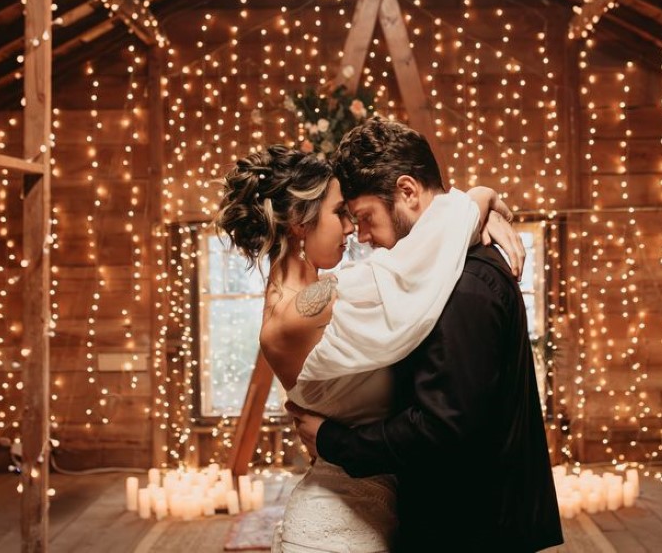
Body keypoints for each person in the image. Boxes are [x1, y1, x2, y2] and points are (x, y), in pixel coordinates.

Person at [216, 144, 521, 552]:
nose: (350, 228)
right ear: (297, 222)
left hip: (377, 511)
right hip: (336, 527)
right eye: (340, 212)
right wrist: (477, 199)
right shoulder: (300, 312)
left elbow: (416, 265)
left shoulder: (308, 298)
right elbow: (411, 267)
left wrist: (472, 209)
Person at [290, 117, 564, 552]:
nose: (362, 236)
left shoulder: (463, 284)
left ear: (408, 192)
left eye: (365, 217)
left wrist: (332, 440)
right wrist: (480, 200)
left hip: (471, 530)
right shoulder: (438, 269)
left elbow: (442, 427)